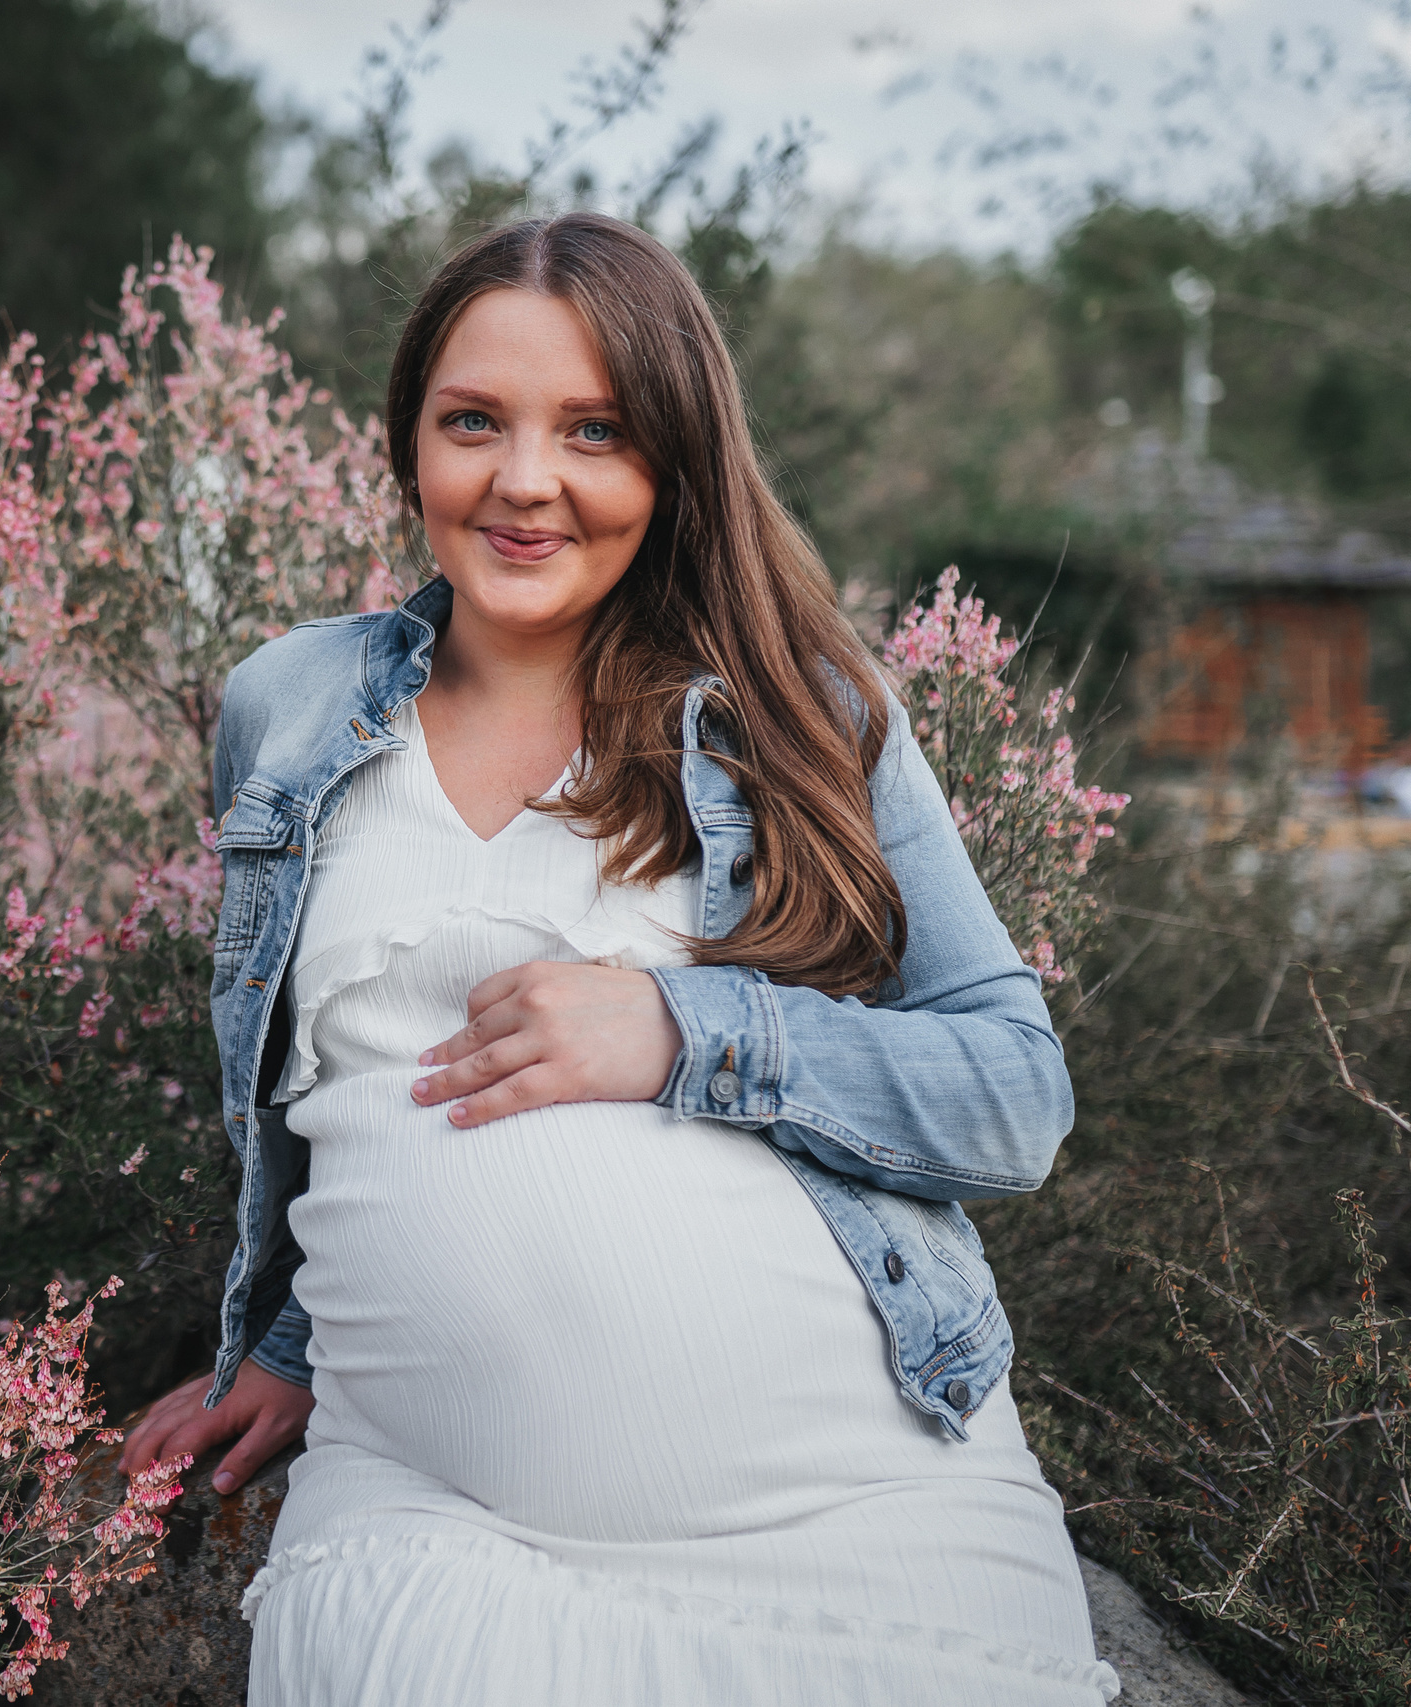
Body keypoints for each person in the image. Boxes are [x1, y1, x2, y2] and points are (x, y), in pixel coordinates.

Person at [119, 213, 1119, 1704]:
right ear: (410, 443)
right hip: (434, 1524)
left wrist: (678, 1026)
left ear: (674, 459)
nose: (527, 481)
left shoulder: (803, 709)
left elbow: (1011, 1096)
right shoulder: (289, 705)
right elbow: (347, 1081)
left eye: (594, 429)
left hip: (861, 1527)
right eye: (476, 423)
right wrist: (288, 1340)